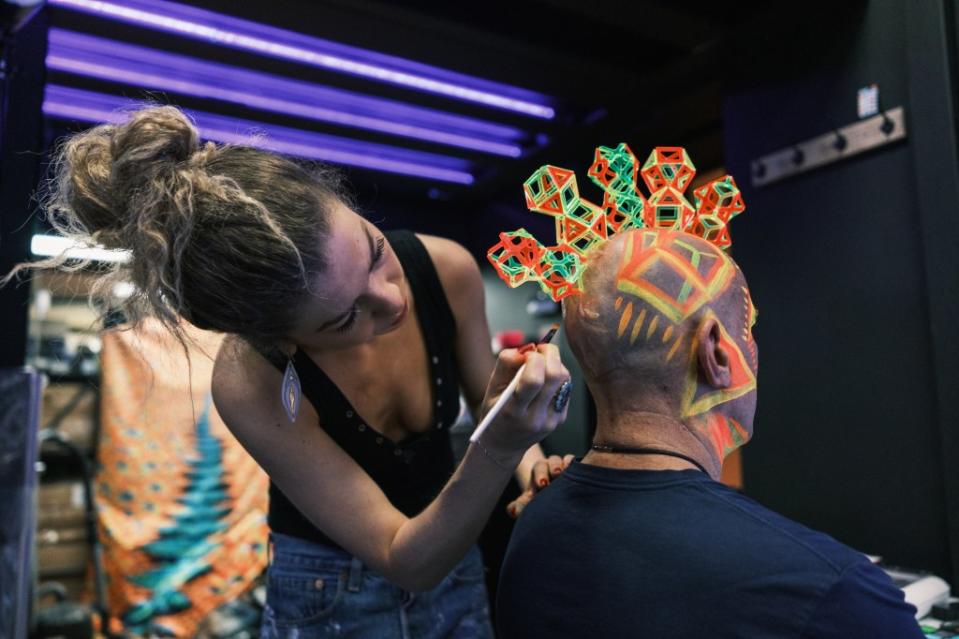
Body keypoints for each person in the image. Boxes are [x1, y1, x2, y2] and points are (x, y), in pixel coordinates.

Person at [12, 105, 574, 638]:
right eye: (347, 316)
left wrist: (534, 471)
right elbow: (404, 558)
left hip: (458, 561)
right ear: (280, 338)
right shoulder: (248, 380)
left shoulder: (446, 269)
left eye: (375, 251)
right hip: (330, 596)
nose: (391, 302)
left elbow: (493, 402)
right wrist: (501, 448)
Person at [496, 228, 924, 638]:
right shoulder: (831, 591)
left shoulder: (534, 524)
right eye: (748, 329)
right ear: (716, 350)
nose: (752, 346)